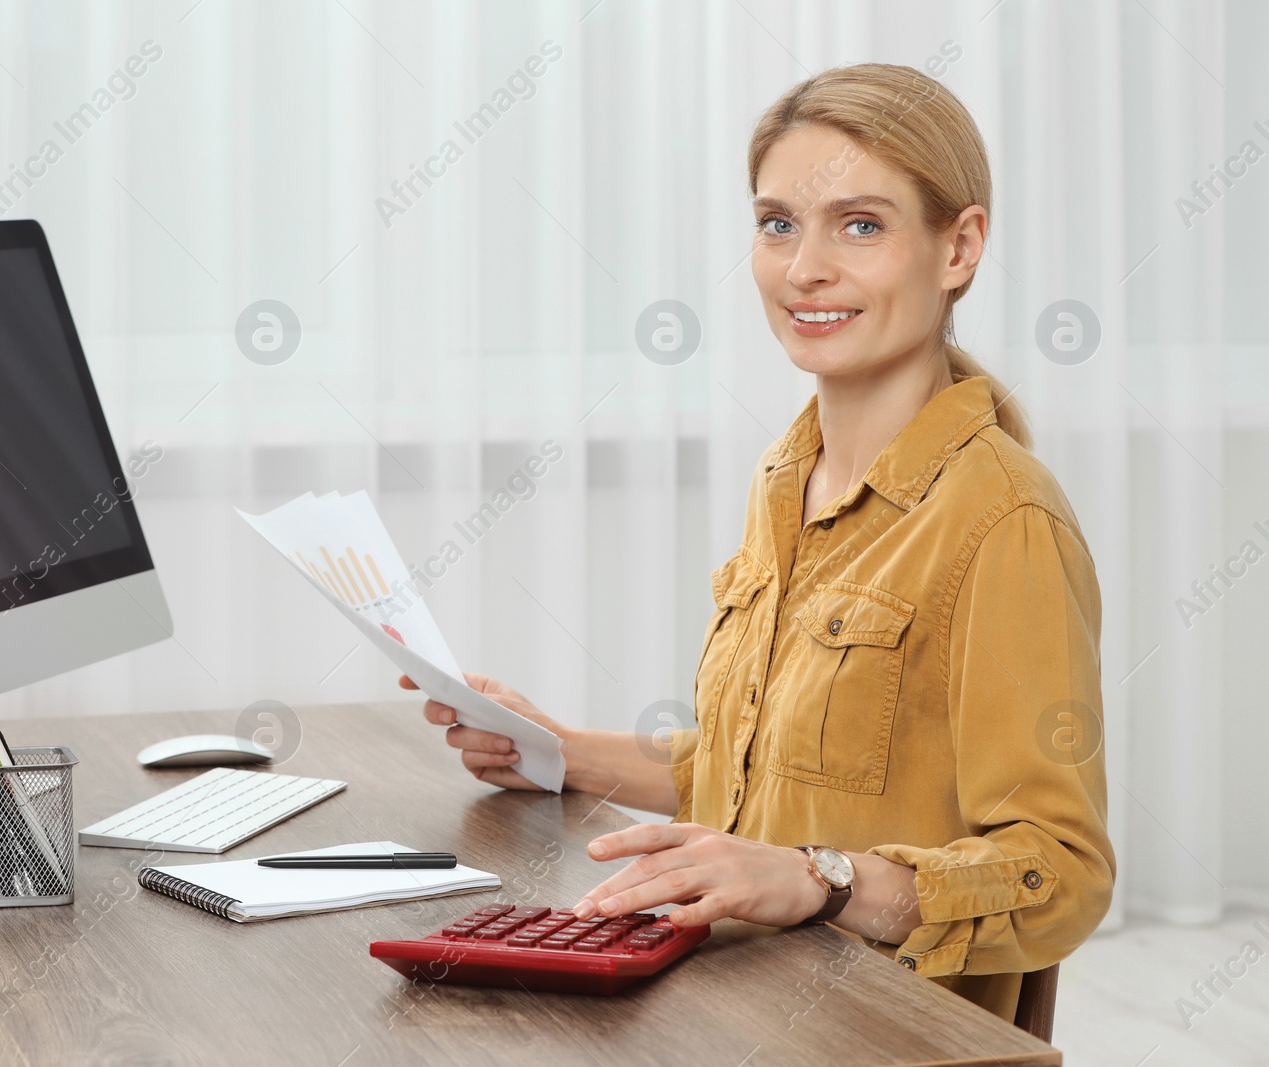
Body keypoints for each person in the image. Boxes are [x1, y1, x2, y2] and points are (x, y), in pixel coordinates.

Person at [400, 62, 1115, 1023]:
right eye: (779, 223)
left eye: (859, 225)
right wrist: (557, 750)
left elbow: (1061, 871)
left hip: (877, 1032)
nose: (803, 268)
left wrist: (821, 879)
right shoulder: (789, 478)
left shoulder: (1003, 519)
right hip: (745, 1006)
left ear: (960, 247)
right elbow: (760, 775)